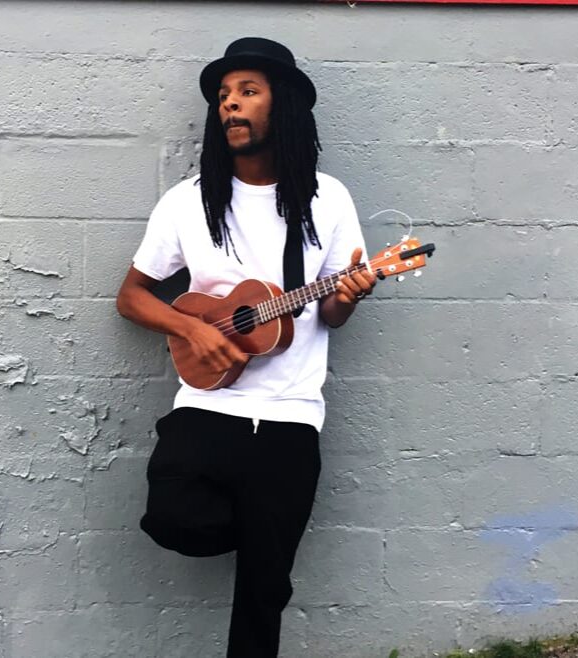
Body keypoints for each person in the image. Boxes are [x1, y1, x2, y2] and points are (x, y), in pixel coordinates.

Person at [116, 36, 376, 658]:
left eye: (247, 92)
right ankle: (254, 523)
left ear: (281, 105)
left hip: (290, 419)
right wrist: (194, 327)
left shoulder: (326, 199)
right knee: (173, 518)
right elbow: (132, 296)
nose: (230, 105)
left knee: (264, 594)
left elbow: (332, 314)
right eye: (223, 96)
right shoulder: (188, 201)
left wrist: (353, 294)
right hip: (207, 407)